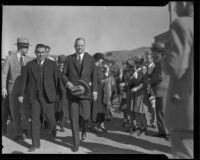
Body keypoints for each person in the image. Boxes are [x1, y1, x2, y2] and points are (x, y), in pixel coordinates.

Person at [162, 2, 193, 158]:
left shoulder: (183, 24)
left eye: (177, 3)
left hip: (187, 110)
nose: (174, 8)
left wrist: (167, 50)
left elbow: (176, 68)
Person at [18, 44, 58, 152]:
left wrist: (57, 95)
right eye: (38, 52)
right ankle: (35, 144)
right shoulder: (29, 65)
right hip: (34, 97)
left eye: (43, 52)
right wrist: (21, 95)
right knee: (35, 120)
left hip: (48, 96)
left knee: (50, 118)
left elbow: (57, 80)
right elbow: (24, 81)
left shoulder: (52, 64)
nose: (41, 54)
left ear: (46, 53)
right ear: (35, 53)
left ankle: (53, 128)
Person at [62, 37, 97, 152]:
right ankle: (76, 143)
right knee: (73, 118)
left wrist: (95, 91)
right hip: (72, 94)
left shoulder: (90, 59)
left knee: (86, 116)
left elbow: (94, 76)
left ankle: (84, 128)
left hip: (86, 94)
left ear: (85, 46)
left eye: (82, 45)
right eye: (78, 45)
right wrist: (69, 84)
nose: (80, 47)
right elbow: (63, 75)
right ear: (74, 46)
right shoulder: (68, 59)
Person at [2, 37, 33, 141]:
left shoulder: (30, 59)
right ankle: (17, 132)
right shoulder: (9, 58)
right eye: (26, 47)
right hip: (13, 91)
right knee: (14, 113)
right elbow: (4, 74)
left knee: (25, 113)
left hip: (25, 92)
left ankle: (25, 131)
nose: (28, 49)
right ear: (21, 47)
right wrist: (3, 87)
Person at [149, 42, 169, 140]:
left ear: (159, 52)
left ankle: (167, 133)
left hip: (163, 90)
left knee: (163, 112)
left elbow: (160, 76)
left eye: (153, 51)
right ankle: (162, 132)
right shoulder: (160, 62)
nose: (152, 53)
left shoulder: (162, 62)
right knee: (159, 112)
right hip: (160, 90)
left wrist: (150, 81)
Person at [128, 55, 148, 136]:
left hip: (142, 93)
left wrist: (137, 88)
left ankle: (144, 129)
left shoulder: (144, 69)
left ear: (140, 62)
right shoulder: (135, 71)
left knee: (142, 112)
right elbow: (132, 82)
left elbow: (145, 82)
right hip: (135, 95)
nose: (134, 63)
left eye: (136, 62)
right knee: (136, 112)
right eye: (134, 62)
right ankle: (139, 127)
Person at [89, 53, 109, 133]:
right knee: (96, 108)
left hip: (102, 91)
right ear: (98, 59)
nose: (103, 61)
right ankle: (93, 125)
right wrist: (105, 79)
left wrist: (106, 76)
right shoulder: (94, 68)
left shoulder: (100, 68)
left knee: (102, 107)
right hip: (96, 90)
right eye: (101, 59)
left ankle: (101, 124)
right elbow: (97, 79)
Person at [55, 55, 68, 132]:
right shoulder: (54, 70)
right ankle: (54, 123)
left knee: (63, 109)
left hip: (65, 93)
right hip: (56, 93)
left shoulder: (67, 71)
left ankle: (62, 124)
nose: (62, 64)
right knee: (56, 109)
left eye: (63, 63)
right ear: (58, 63)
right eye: (60, 63)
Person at [144, 50, 156, 129]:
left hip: (152, 90)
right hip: (145, 89)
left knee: (153, 107)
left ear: (151, 58)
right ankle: (147, 122)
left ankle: (154, 122)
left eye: (148, 58)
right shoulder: (145, 67)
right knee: (146, 107)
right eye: (146, 58)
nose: (147, 59)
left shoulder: (155, 67)